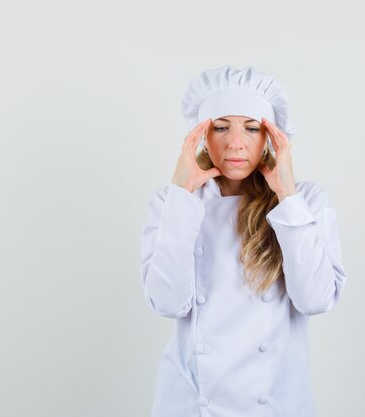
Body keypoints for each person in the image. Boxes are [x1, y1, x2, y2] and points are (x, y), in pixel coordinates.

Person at [138, 65, 348, 417]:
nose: (236, 142)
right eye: (221, 127)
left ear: (271, 138)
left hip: (276, 405)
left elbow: (315, 299)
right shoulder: (171, 203)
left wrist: (287, 194)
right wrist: (181, 193)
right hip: (190, 404)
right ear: (201, 136)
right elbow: (167, 303)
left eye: (252, 128)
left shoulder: (304, 200)